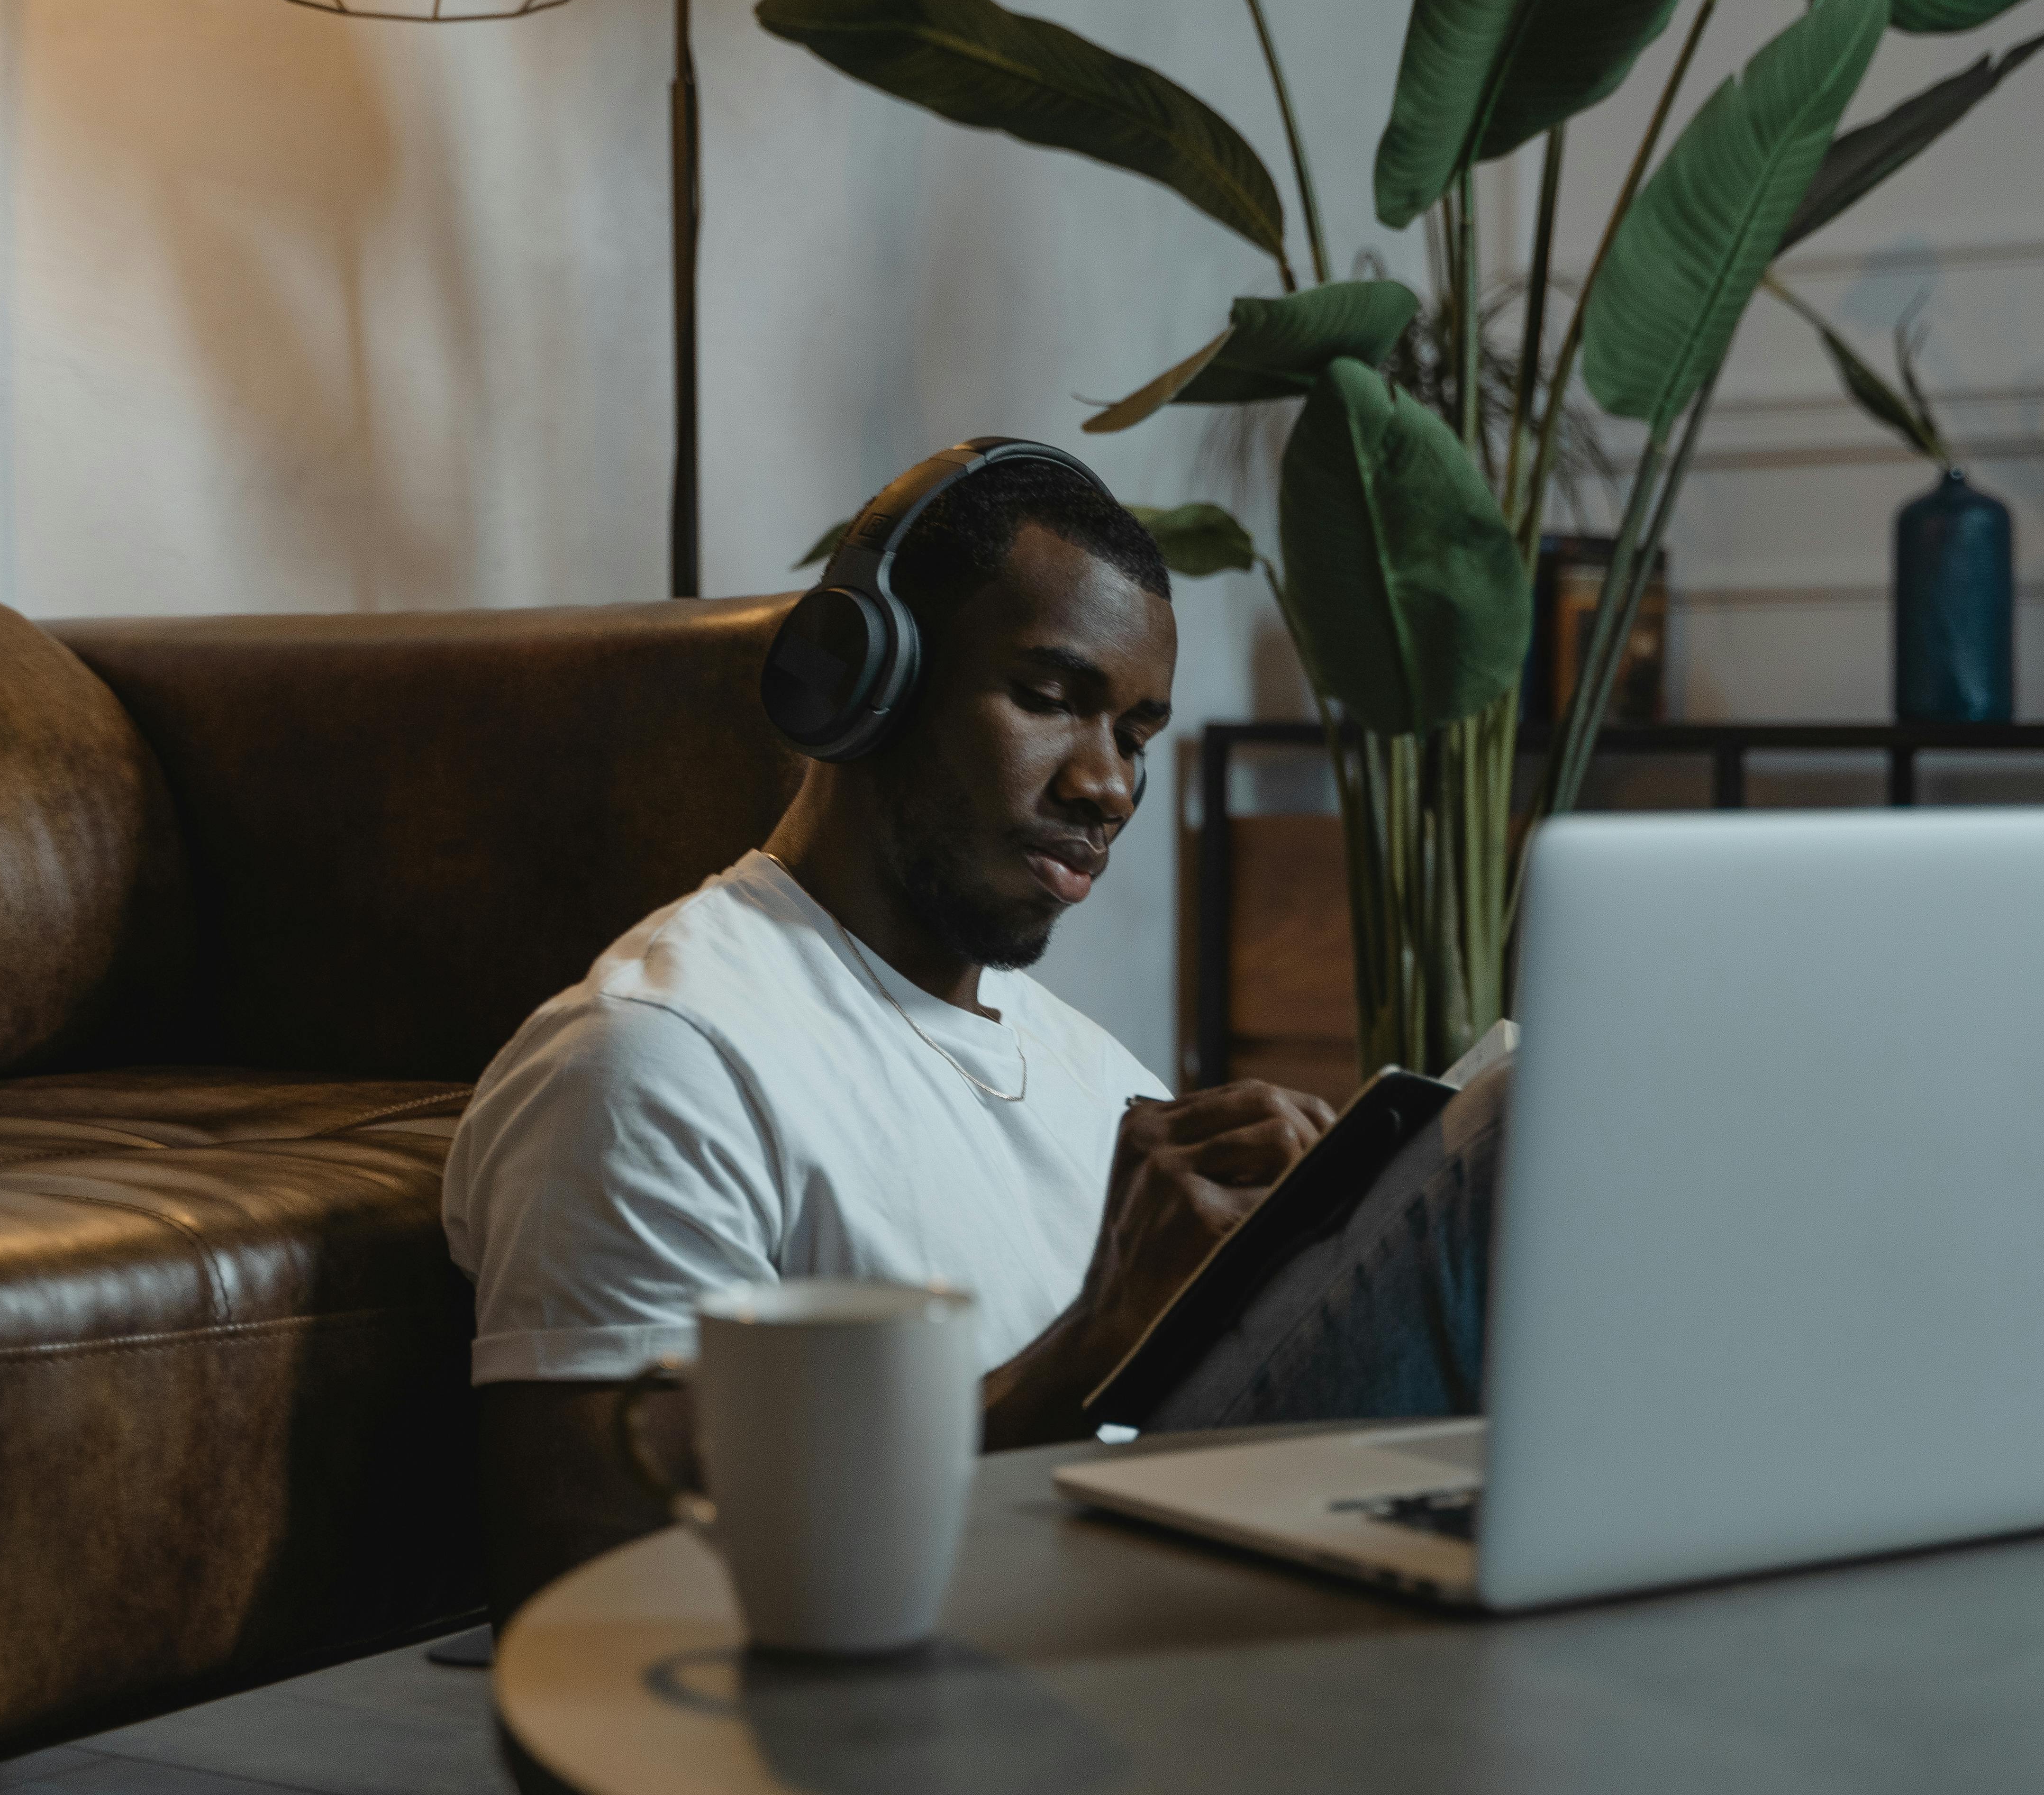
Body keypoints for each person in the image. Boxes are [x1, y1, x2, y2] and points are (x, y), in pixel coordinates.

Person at [445, 452, 1500, 1628]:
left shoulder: (1096, 1070)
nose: (1108, 785)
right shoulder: (655, 1059)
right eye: (1050, 697)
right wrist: (1096, 1339)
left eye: (1138, 735)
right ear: (865, 683)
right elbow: (595, 1601)